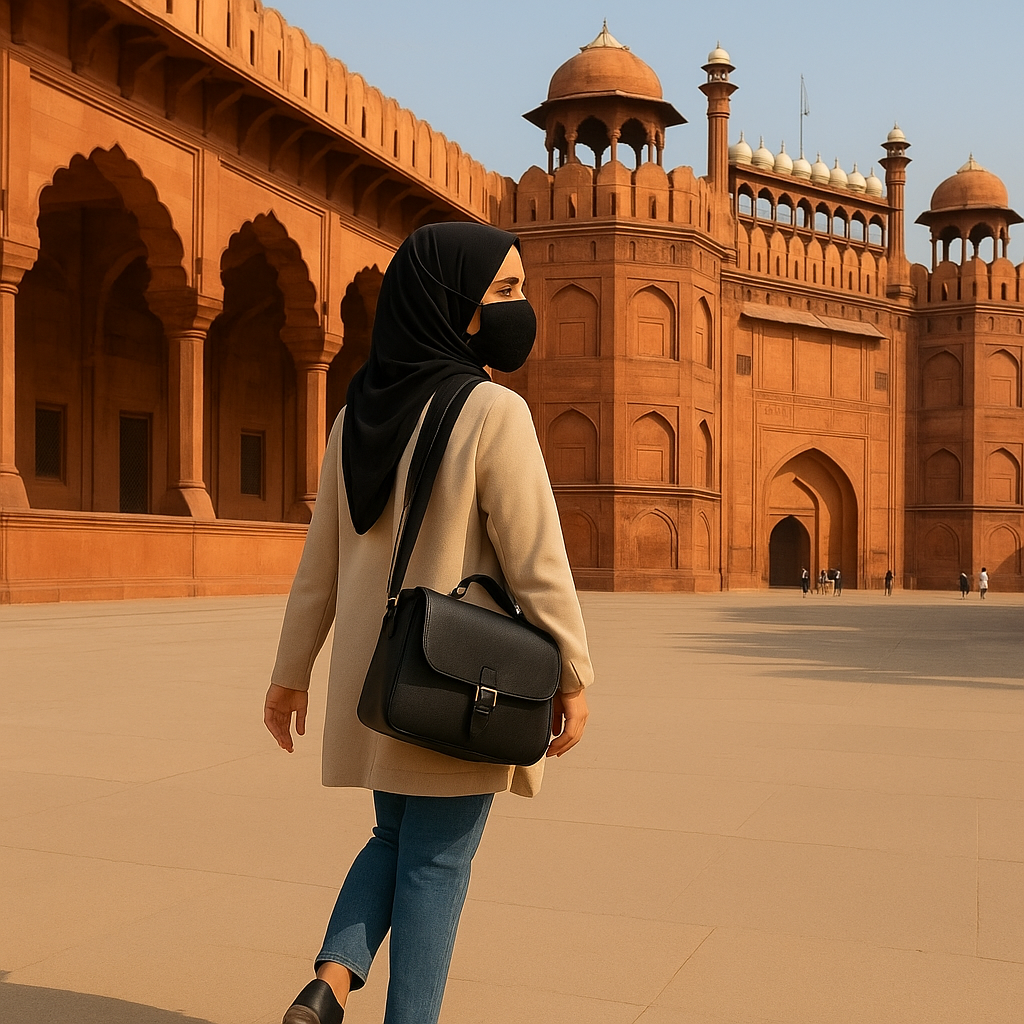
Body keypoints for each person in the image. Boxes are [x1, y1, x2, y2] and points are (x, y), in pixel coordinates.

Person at [263, 223, 593, 1024]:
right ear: (455, 303)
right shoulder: (492, 413)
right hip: (461, 685)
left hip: (385, 684)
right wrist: (575, 674)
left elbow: (319, 567)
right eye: (505, 292)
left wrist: (290, 673)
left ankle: (331, 982)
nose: (521, 309)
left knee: (395, 841)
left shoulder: (355, 415)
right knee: (436, 865)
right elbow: (536, 560)